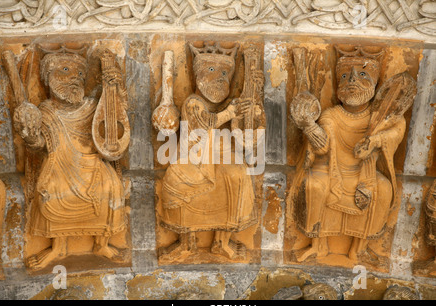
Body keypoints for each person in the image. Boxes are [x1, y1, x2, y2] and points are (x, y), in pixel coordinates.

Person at [289, 49, 406, 262]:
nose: (352, 80)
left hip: (364, 172)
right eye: (344, 77)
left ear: (374, 83)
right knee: (314, 185)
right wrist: (310, 129)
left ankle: (358, 249)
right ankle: (318, 245)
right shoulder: (331, 115)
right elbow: (322, 148)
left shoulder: (379, 117)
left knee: (384, 189)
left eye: (362, 76)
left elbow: (396, 129)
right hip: (331, 169)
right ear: (338, 85)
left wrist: (374, 141)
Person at [13, 51, 127, 270]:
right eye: (65, 70)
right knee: (52, 192)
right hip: (61, 166)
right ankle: (58, 247)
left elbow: (117, 124)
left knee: (111, 186)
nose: (74, 76)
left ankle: (101, 244)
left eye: (80, 73)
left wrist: (116, 90)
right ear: (48, 78)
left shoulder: (94, 106)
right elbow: (39, 146)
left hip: (94, 166)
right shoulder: (46, 110)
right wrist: (29, 134)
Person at [159, 43, 262, 260]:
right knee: (176, 184)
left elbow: (243, 133)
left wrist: (249, 103)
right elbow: (203, 125)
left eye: (225, 73)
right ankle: (186, 244)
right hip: (193, 160)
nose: (220, 78)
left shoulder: (229, 104)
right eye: (212, 71)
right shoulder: (192, 103)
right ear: (198, 76)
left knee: (238, 177)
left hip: (222, 156)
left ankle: (221, 243)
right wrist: (231, 112)